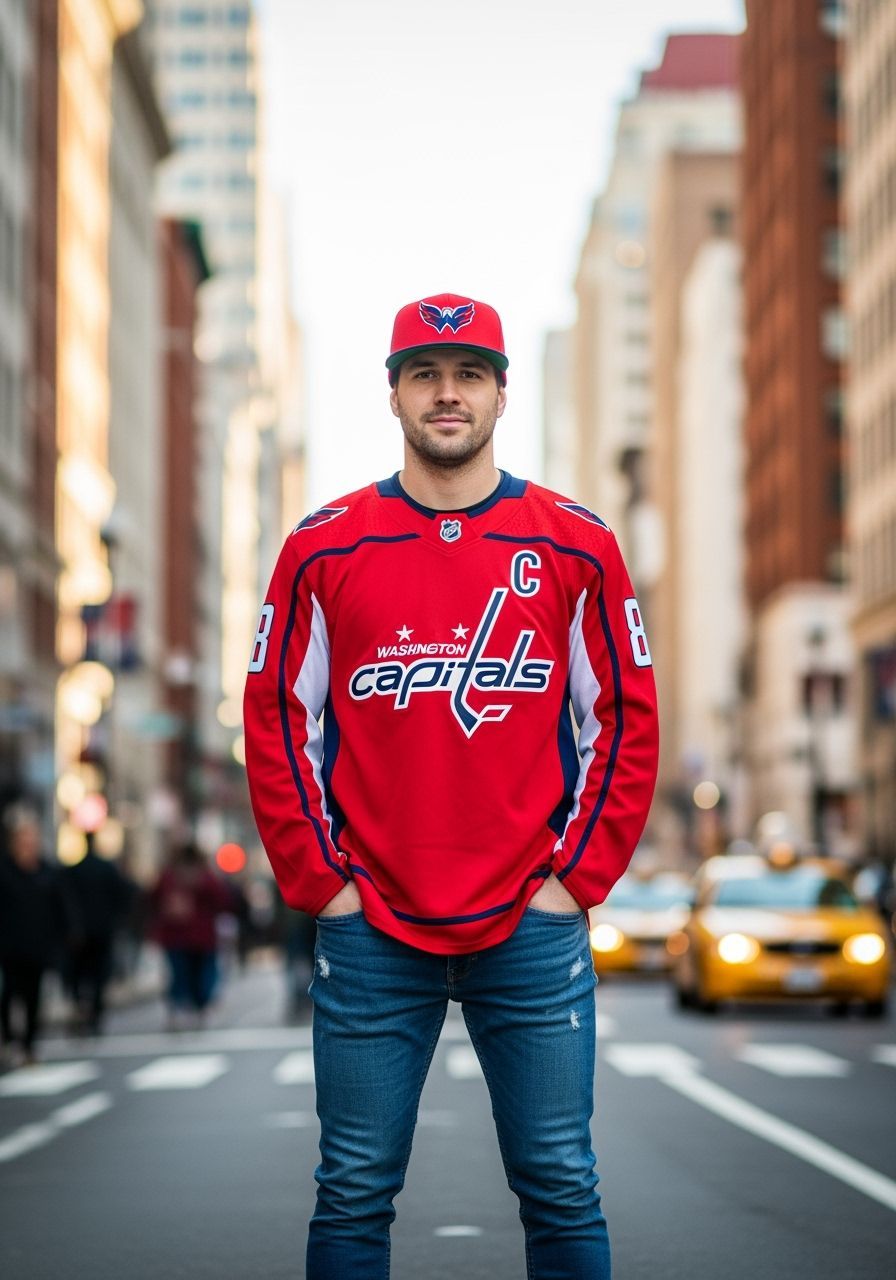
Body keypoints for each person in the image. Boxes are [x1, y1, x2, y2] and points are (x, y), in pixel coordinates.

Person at [243, 292, 659, 1279]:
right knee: (351, 1186)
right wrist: (322, 883)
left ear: (500, 393)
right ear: (391, 392)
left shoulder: (573, 542)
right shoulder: (322, 544)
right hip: (372, 921)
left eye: (468, 373)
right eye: (424, 373)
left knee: (560, 1180)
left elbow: (626, 716)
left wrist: (576, 879)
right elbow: (272, 714)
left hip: (531, 917)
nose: (446, 394)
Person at [0, 804, 72, 1066]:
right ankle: (8, 1040)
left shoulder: (47, 872)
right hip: (8, 945)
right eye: (23, 838)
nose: (28, 844)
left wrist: (65, 936)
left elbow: (60, 907)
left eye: (31, 838)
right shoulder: (5, 871)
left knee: (33, 997)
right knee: (8, 994)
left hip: (39, 945)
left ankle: (29, 1045)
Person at [147, 840, 233, 1029]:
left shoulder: (169, 876)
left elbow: (153, 899)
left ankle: (180, 1009)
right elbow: (222, 900)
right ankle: (198, 1008)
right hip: (200, 936)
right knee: (200, 974)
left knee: (179, 974)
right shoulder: (206, 876)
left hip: (176, 935)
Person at [62, 834, 135, 1036]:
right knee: (99, 975)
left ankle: (81, 1007)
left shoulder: (74, 870)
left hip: (80, 932)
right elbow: (124, 894)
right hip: (102, 930)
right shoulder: (107, 869)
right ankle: (94, 1014)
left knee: (79, 973)